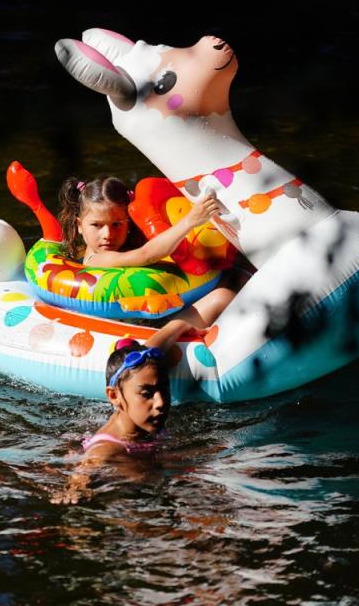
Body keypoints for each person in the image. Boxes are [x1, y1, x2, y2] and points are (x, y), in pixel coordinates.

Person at [58, 175, 234, 329]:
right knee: (222, 297)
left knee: (233, 278)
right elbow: (146, 255)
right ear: (79, 225)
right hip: (137, 325)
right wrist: (189, 221)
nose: (107, 235)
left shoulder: (127, 243)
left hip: (165, 308)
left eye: (117, 224)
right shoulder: (96, 259)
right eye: (96, 225)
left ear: (128, 223)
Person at [51, 318, 195, 504]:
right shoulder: (107, 450)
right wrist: (74, 489)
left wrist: (178, 325)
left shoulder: (139, 393)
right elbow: (83, 473)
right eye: (147, 393)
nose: (160, 402)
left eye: (165, 389)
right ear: (113, 396)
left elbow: (152, 350)